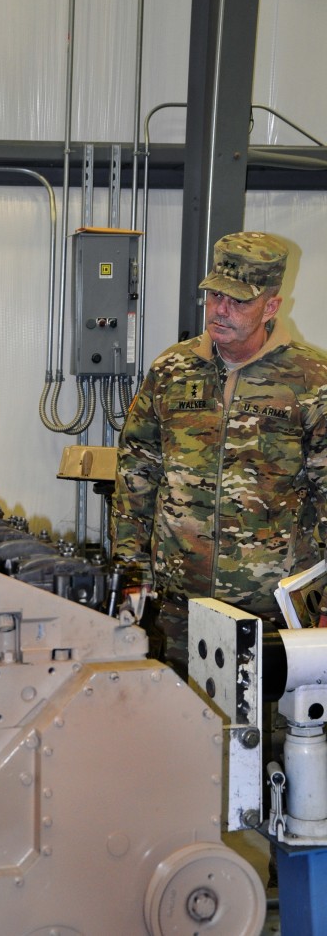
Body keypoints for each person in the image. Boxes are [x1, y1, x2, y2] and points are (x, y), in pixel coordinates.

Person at [111, 231, 327, 679]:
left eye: (237, 301)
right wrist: (129, 571)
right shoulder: (172, 370)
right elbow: (137, 469)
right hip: (175, 604)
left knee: (267, 738)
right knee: (178, 727)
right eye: (213, 296)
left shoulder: (311, 380)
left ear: (271, 306)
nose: (219, 310)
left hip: (271, 613)